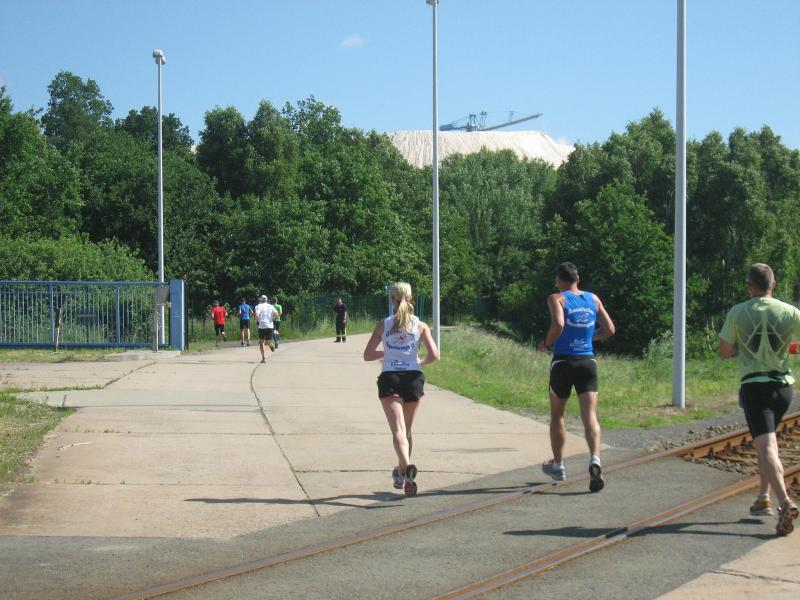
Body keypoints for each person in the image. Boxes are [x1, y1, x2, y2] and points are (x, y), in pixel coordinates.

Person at [719, 263, 800, 536]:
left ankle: (785, 502)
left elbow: (724, 350)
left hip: (755, 388)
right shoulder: (790, 311)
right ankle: (763, 496)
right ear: (773, 285)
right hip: (783, 388)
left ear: (749, 286)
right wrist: (788, 347)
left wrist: (742, 346)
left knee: (767, 448)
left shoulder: (738, 311)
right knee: (767, 443)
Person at [537, 262, 615, 492]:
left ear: (559, 280)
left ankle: (558, 465)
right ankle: (595, 460)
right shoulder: (593, 299)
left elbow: (559, 324)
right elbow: (610, 329)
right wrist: (589, 338)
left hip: (563, 361)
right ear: (577, 279)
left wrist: (546, 344)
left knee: (557, 415)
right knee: (590, 416)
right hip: (587, 362)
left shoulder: (557, 299)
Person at [363, 282, 439, 496]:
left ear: (392, 300)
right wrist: (419, 362)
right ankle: (404, 475)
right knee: (407, 431)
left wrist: (387, 353)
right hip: (414, 379)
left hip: (390, 378)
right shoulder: (421, 326)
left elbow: (367, 355)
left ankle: (405, 467)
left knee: (398, 430)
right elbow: (434, 355)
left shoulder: (383, 325)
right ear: (411, 299)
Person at [254, 294, 279, 363]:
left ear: (261, 300)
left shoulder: (259, 306)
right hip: (270, 326)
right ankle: (271, 345)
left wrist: (257, 320)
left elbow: (257, 315)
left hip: (262, 326)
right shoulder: (271, 306)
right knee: (268, 341)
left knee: (261, 342)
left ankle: (263, 358)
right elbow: (277, 314)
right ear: (267, 300)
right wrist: (272, 319)